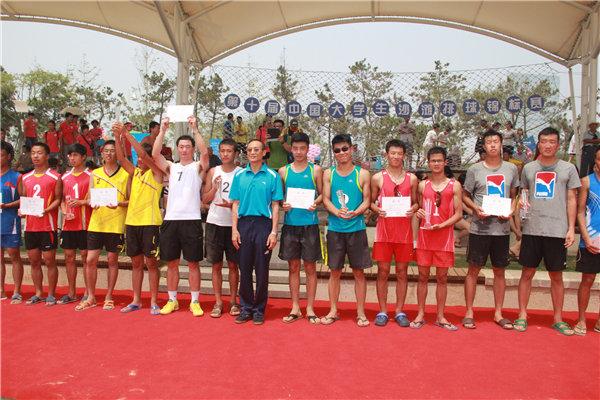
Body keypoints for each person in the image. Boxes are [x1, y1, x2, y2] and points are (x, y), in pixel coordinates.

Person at [515, 127, 580, 335]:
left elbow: (572, 199)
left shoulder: (568, 169)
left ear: (558, 145)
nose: (548, 145)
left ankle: (558, 318)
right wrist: (521, 219)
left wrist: (570, 229)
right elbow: (524, 195)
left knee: (556, 276)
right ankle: (522, 314)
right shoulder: (528, 168)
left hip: (557, 230)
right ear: (538, 144)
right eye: (544, 141)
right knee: (527, 273)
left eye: (552, 142)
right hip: (532, 229)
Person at [462, 130, 519, 330]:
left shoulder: (511, 169)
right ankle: (469, 312)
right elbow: (465, 195)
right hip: (479, 229)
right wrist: (475, 209)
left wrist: (510, 211)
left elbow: (514, 195)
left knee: (499, 271)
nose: (493, 145)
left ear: (501, 144)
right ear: (484, 146)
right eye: (489, 142)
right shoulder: (474, 169)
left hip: (501, 230)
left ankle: (498, 313)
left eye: (496, 141)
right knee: (473, 270)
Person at [152, 116, 208, 316]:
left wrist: (195, 129)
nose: (184, 150)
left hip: (191, 220)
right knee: (172, 263)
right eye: (181, 147)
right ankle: (172, 300)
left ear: (192, 149)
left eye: (188, 147)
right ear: (177, 149)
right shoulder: (171, 167)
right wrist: (162, 130)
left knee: (193, 263)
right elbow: (155, 154)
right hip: (171, 221)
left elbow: (205, 153)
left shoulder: (198, 167)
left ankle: (195, 301)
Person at [229, 139, 283, 325]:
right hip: (243, 225)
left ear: (264, 152)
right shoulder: (239, 175)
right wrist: (234, 230)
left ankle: (259, 309)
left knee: (261, 269)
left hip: (263, 225)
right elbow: (235, 204)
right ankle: (245, 308)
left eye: (256, 149)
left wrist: (274, 232)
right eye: (250, 149)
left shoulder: (272, 175)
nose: (252, 152)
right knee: (244, 268)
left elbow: (275, 206)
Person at [320, 134, 371, 327]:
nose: (341, 153)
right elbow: (325, 199)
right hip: (335, 229)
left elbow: (367, 200)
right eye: (337, 150)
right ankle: (333, 310)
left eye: (344, 148)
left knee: (359, 272)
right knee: (334, 272)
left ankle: (361, 313)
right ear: (333, 152)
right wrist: (337, 212)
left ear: (351, 149)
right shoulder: (328, 174)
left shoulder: (362, 174)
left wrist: (356, 212)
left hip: (356, 228)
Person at [114, 123, 163, 315]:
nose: (139, 160)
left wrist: (127, 134)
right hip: (132, 223)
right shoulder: (135, 173)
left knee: (151, 263)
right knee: (135, 263)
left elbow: (142, 153)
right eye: (138, 158)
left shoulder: (156, 173)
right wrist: (117, 136)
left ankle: (154, 301)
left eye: (143, 158)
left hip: (149, 223)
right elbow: (120, 158)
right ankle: (136, 300)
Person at [412, 147, 463, 330]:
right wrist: (418, 213)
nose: (436, 164)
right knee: (422, 276)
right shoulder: (422, 185)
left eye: (439, 160)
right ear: (428, 162)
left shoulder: (454, 185)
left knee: (442, 278)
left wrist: (442, 225)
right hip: (425, 237)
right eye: (433, 161)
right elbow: (418, 207)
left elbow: (458, 214)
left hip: (444, 238)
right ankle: (420, 314)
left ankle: (440, 316)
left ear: (445, 162)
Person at [75, 140, 130, 311]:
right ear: (102, 153)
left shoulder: (126, 174)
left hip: (115, 224)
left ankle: (109, 296)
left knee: (112, 260)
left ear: (118, 153)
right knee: (90, 259)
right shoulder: (95, 173)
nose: (109, 154)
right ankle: (91, 296)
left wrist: (119, 204)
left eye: (113, 150)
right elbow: (90, 197)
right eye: (106, 151)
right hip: (97, 222)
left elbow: (130, 200)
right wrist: (91, 202)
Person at [370, 139, 418, 327]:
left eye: (399, 153)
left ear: (404, 155)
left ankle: (399, 311)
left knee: (402, 272)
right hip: (384, 233)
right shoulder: (378, 178)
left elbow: (416, 202)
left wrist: (413, 209)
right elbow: (370, 201)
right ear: (386, 154)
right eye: (393, 153)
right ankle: (382, 311)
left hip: (404, 234)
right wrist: (377, 209)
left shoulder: (411, 179)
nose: (396, 156)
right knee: (382, 271)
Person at [278, 132, 323, 324]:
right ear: (291, 149)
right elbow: (279, 197)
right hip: (290, 226)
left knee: (310, 267)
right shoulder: (283, 171)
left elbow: (323, 194)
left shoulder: (316, 170)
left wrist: (316, 202)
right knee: (293, 267)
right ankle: (295, 307)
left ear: (307, 149)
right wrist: (283, 204)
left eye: (302, 148)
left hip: (310, 225)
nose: (298, 152)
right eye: (295, 148)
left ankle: (310, 308)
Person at [202, 138, 242, 318]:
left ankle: (233, 301)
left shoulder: (241, 173)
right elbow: (205, 199)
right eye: (222, 151)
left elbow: (244, 201)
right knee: (216, 265)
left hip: (234, 225)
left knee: (233, 265)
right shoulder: (213, 171)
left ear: (235, 153)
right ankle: (218, 302)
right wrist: (214, 188)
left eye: (229, 151)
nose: (225, 154)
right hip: (214, 223)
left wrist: (231, 205)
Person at [19, 142, 62, 305]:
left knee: (50, 260)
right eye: (33, 153)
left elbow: (58, 199)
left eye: (39, 153)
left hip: (47, 226)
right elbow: (24, 199)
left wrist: (46, 210)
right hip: (31, 226)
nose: (36, 156)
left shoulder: (55, 177)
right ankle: (38, 292)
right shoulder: (25, 177)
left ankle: (51, 294)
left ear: (47, 155)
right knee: (34, 261)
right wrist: (22, 210)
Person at [59, 143, 92, 305]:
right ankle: (71, 292)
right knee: (69, 257)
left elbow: (95, 199)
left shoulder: (92, 175)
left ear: (83, 157)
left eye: (75, 155)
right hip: (69, 224)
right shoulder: (64, 177)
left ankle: (88, 292)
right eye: (70, 155)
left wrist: (81, 202)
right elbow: (60, 199)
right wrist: (64, 210)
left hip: (86, 223)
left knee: (86, 257)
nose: (72, 158)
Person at [574, 146, 600, 335]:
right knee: (588, 279)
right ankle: (582, 319)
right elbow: (580, 212)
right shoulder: (586, 181)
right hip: (590, 240)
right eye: (599, 159)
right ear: (595, 161)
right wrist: (586, 237)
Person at [0, 141, 24, 303]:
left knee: (14, 255)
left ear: (9, 156)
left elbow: (24, 199)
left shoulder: (16, 177)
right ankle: (1, 289)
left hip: (10, 221)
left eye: (1, 155)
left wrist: (6, 205)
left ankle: (16, 290)